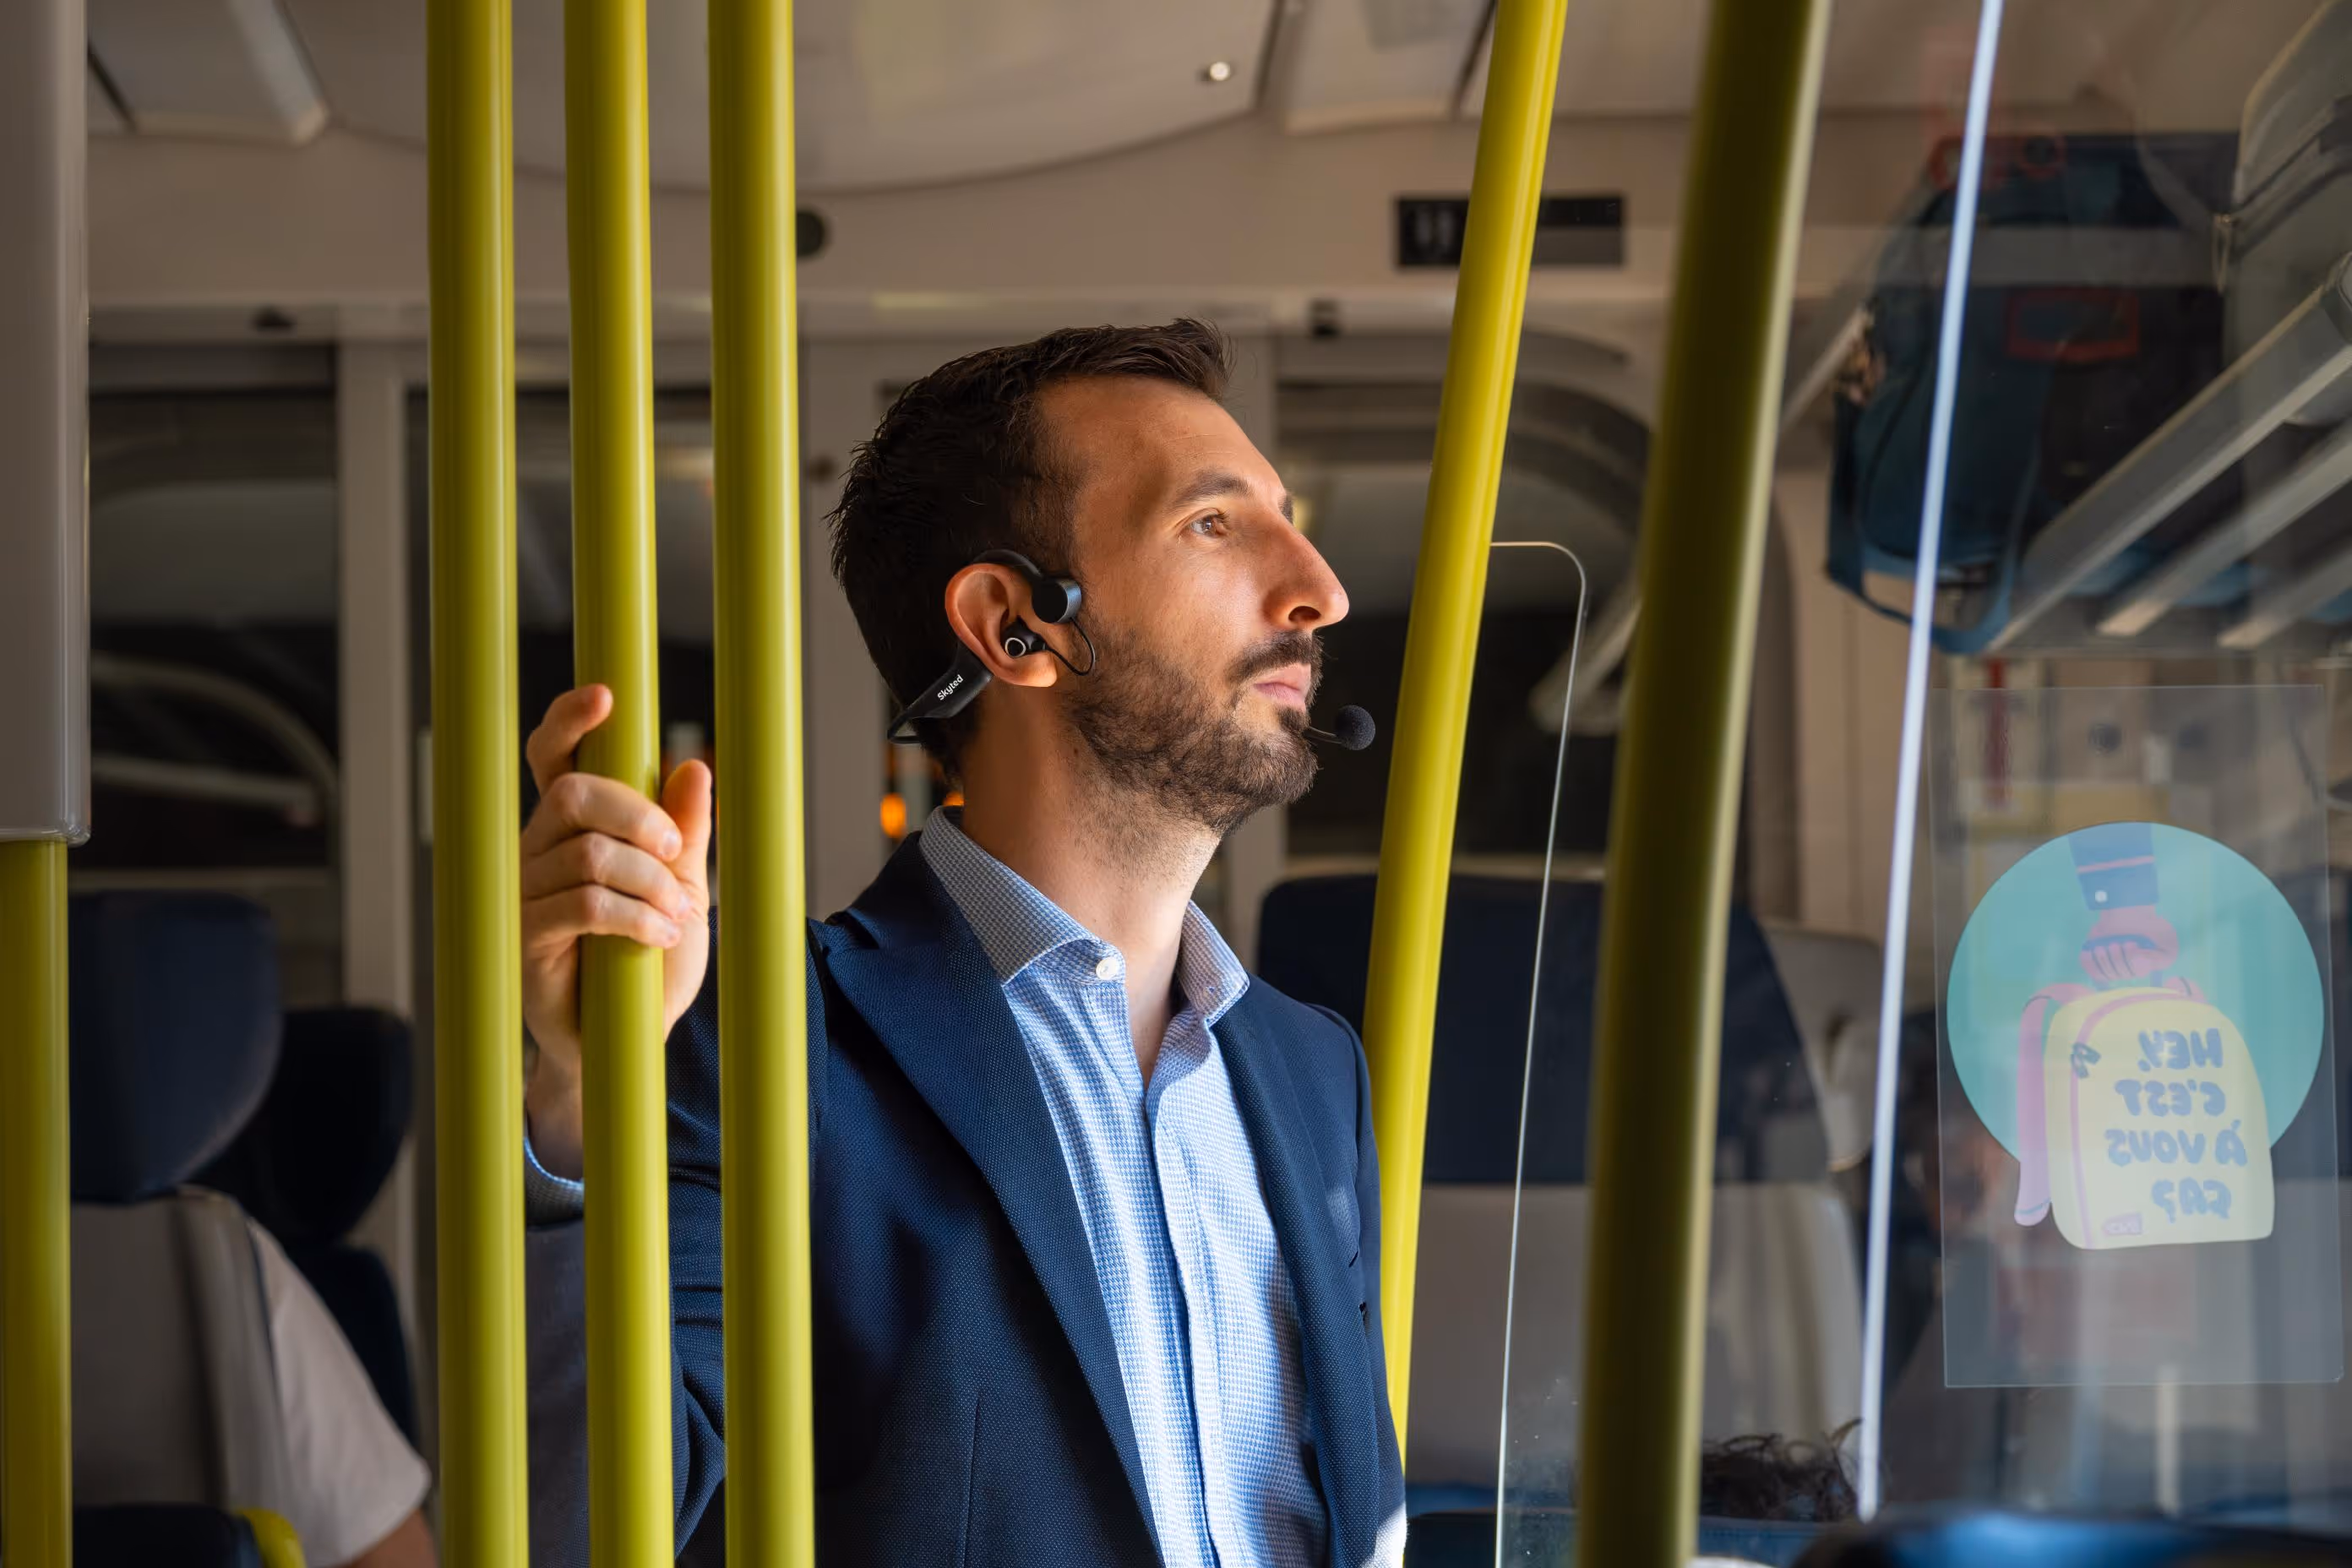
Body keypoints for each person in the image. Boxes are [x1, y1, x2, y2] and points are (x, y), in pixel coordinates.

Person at [518, 321, 1405, 1565]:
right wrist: (577, 1095)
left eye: (1286, 514)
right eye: (1214, 524)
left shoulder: (1316, 1072)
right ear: (1015, 626)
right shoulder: (763, 1041)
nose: (1319, 586)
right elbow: (584, 1533)